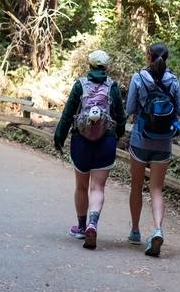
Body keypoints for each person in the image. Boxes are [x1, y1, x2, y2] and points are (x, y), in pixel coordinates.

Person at [53, 50, 126, 249]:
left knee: (82, 186)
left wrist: (59, 137)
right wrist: (116, 134)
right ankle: (93, 224)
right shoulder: (112, 87)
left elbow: (68, 113)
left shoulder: (80, 85)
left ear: (90, 65)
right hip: (106, 141)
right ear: (106, 67)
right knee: (98, 188)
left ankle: (81, 226)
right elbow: (120, 116)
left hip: (81, 142)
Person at [126, 42, 180, 257]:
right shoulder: (174, 81)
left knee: (136, 186)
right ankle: (158, 229)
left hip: (140, 140)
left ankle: (134, 231)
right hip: (164, 142)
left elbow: (130, 108)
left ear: (148, 56)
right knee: (157, 189)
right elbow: (178, 110)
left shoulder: (138, 78)